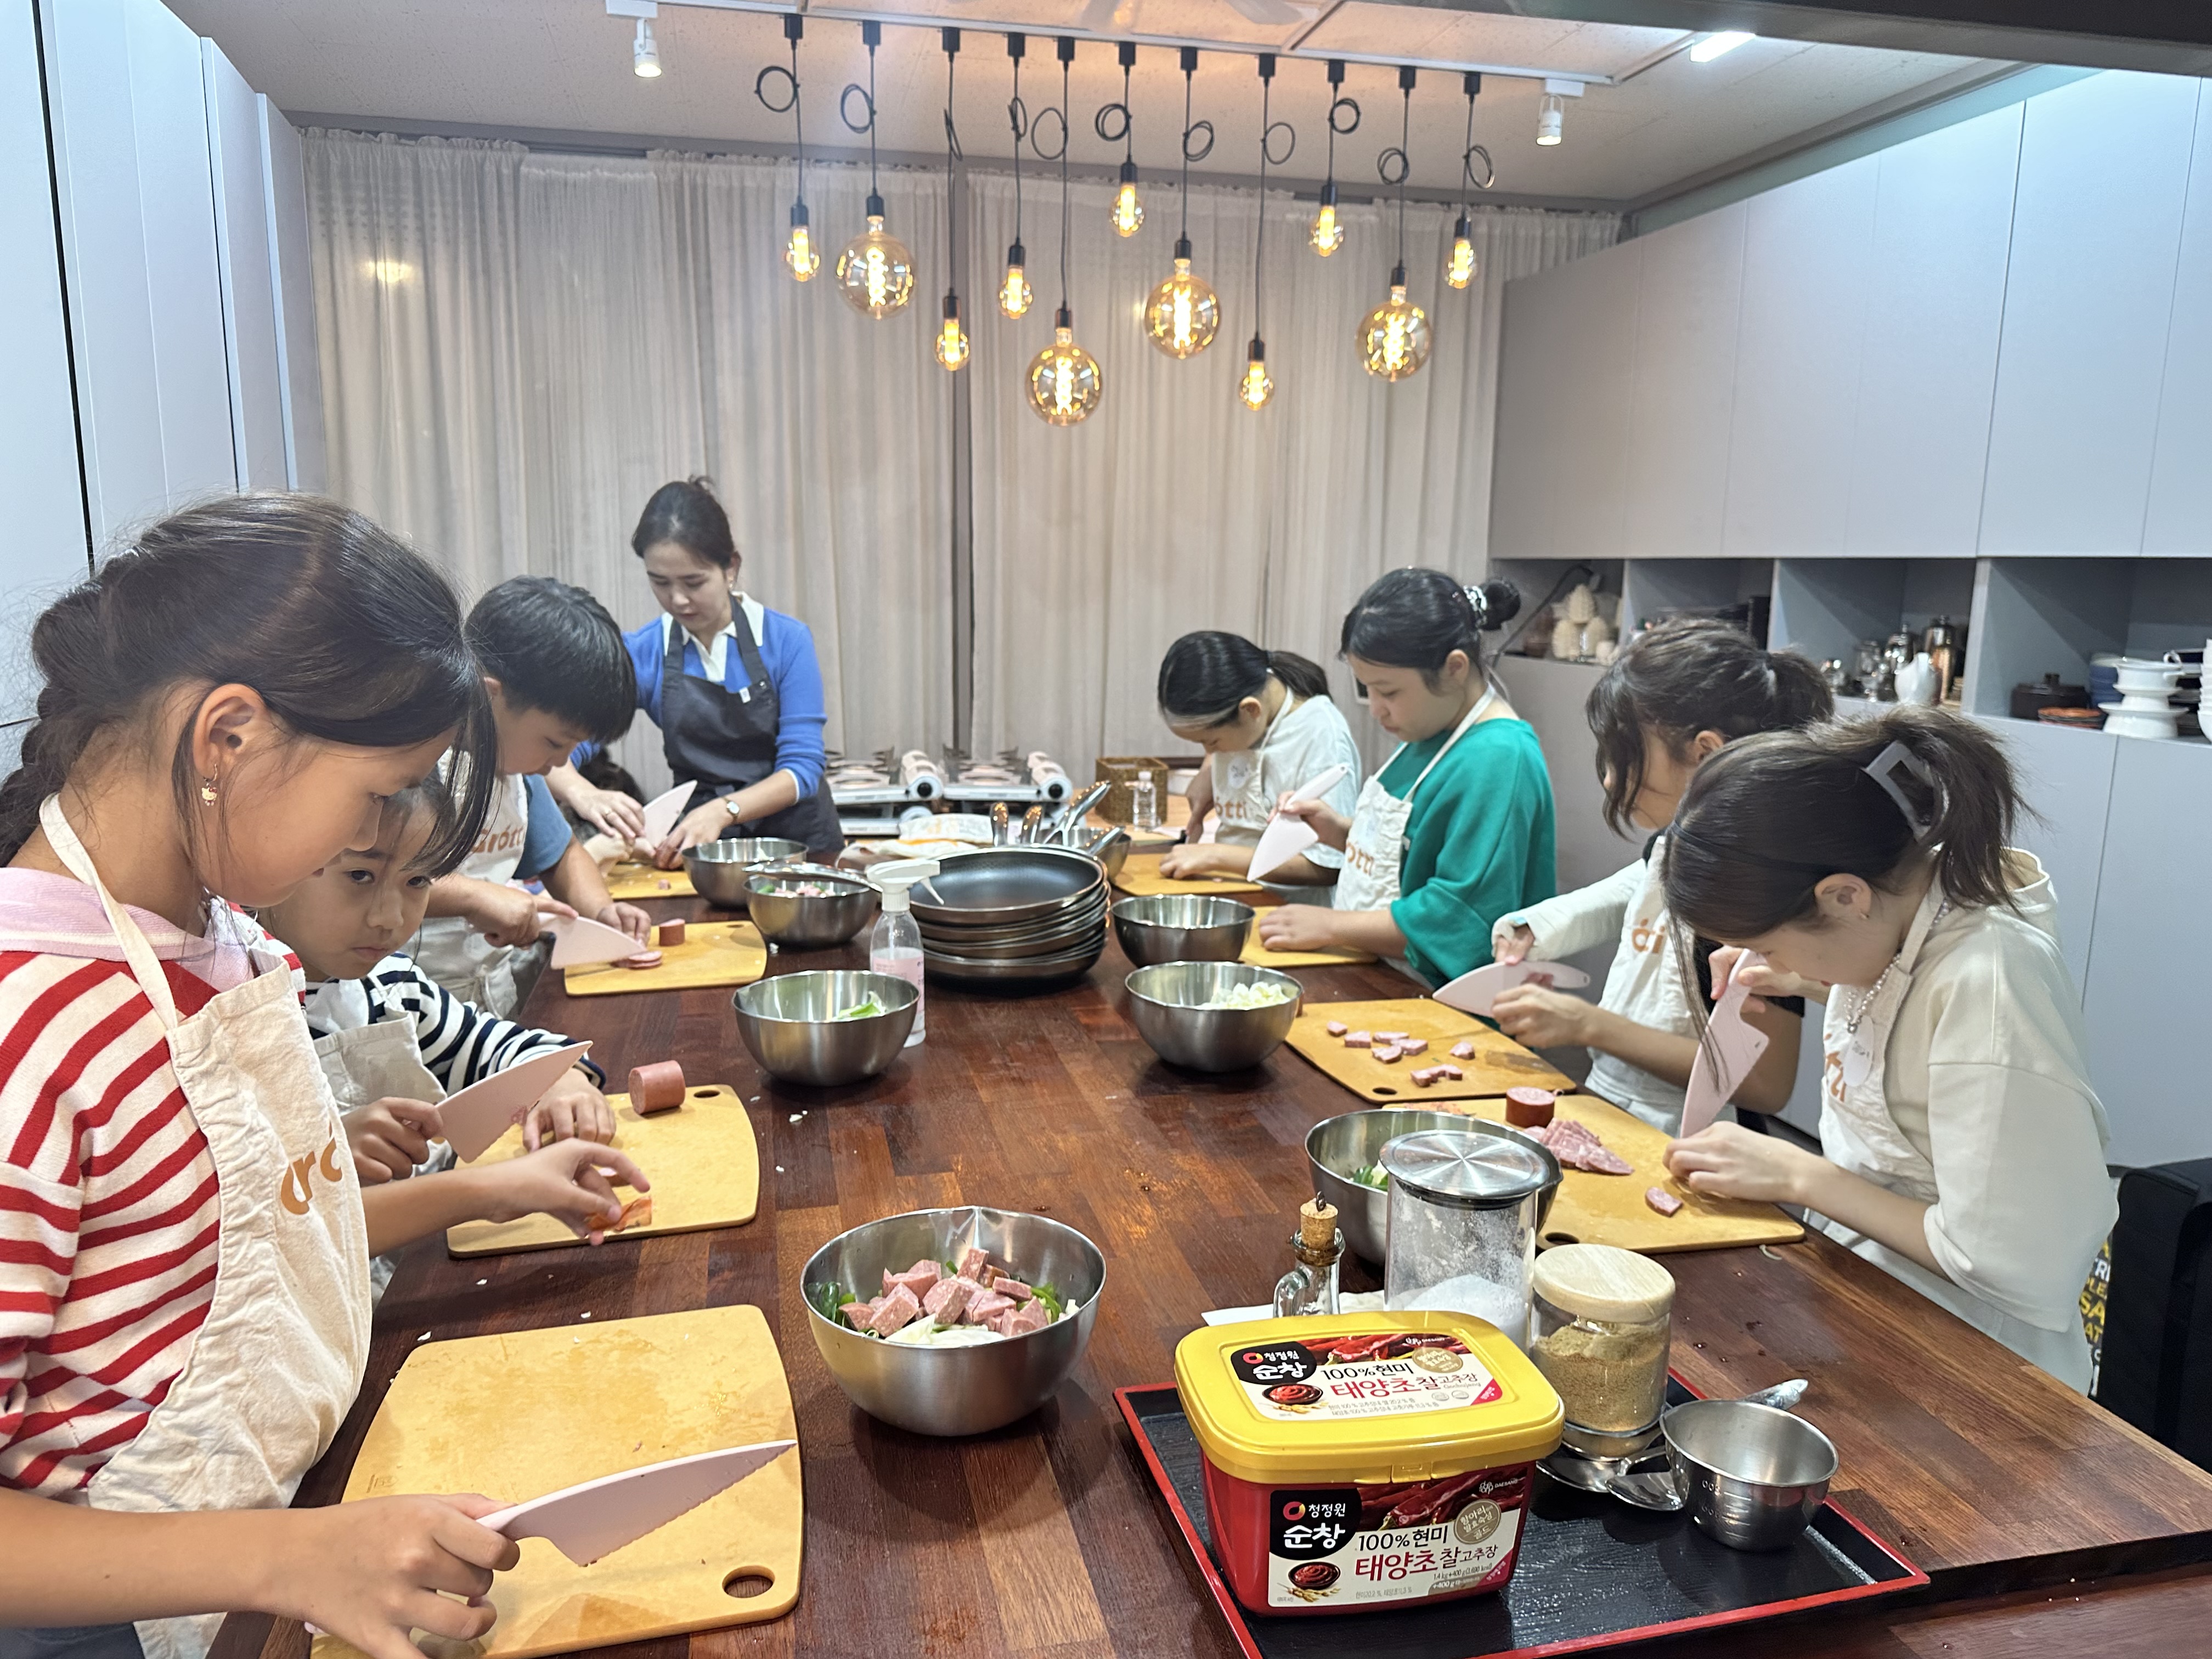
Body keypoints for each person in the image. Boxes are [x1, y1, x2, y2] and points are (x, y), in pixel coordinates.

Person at [0, 497, 646, 1659]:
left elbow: (250, 1244)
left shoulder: (225, 940)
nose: (395, 839)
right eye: (380, 792)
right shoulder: (30, 1023)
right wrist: (287, 1557)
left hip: (282, 1539)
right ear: (229, 737)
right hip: (120, 1622)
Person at [1658, 706, 2113, 1391]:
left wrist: (1798, 1176)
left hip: (1983, 1372)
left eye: (1767, 943)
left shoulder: (1990, 982)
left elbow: (2006, 1260)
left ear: (1845, 897)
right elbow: (1911, 1024)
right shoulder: (1903, 920)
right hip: (1882, 1311)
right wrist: (1802, 975)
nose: (1759, 961)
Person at [1488, 619, 1833, 1131]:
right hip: (1615, 1110)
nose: (1610, 780)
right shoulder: (1679, 842)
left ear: (1706, 754)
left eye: (1624, 757)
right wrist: (1541, 926)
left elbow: (1764, 1083)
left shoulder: (1756, 893)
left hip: (1695, 1139)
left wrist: (1590, 1025)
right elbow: (1640, 885)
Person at [1256, 571, 1555, 985]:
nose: (1376, 709)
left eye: (1389, 692)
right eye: (1367, 690)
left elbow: (1458, 915)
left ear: (1454, 669)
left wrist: (1330, 926)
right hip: (1383, 975)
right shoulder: (1431, 728)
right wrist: (1339, 831)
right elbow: (1414, 853)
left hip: (1446, 1000)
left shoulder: (1500, 758)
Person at [550, 478, 840, 863]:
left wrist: (724, 810)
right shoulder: (644, 652)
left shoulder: (786, 640)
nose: (678, 600)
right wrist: (583, 793)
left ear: (731, 567)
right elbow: (557, 744)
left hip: (799, 844)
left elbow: (802, 769)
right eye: (660, 583)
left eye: (694, 582)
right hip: (707, 849)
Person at [412, 577, 651, 1016]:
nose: (559, 763)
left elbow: (562, 855)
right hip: (408, 997)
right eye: (554, 743)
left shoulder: (517, 768)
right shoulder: (411, 762)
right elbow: (372, 880)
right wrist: (474, 897)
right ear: (489, 695)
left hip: (489, 996)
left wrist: (602, 912)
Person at [1153, 631, 1361, 893]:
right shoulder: (1249, 717)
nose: (1210, 751)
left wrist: (1216, 856)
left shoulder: (1322, 736)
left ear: (1251, 710)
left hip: (1289, 908)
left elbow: (1328, 866)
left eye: (1211, 741)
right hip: (1235, 892)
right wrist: (1209, 769)